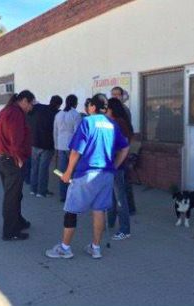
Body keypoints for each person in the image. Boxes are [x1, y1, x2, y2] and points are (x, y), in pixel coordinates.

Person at [45, 94, 129, 259]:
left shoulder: (87, 122)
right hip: (106, 175)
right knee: (99, 210)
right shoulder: (112, 124)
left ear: (92, 107)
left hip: (86, 174)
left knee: (71, 210)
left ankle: (65, 248)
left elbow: (76, 151)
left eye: (88, 104)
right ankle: (96, 248)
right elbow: (125, 148)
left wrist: (68, 172)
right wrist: (115, 166)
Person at [0, 90, 35, 241]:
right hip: (11, 160)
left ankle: (18, 221)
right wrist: (18, 158)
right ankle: (10, 231)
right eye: (31, 104)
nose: (31, 108)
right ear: (24, 100)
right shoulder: (15, 113)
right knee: (12, 197)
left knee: (15, 194)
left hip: (3, 158)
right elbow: (15, 138)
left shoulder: (6, 110)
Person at [105, 98, 133, 240]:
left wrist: (115, 165)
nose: (105, 111)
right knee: (112, 196)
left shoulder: (119, 123)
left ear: (112, 109)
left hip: (118, 166)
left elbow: (123, 147)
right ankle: (109, 223)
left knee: (120, 198)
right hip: (113, 165)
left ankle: (124, 229)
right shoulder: (117, 122)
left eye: (107, 109)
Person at [111, 86, 137, 215]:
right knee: (121, 181)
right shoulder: (113, 111)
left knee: (124, 180)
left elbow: (127, 131)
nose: (115, 96)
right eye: (113, 94)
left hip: (123, 149)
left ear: (122, 96)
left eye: (117, 94)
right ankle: (123, 207)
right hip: (118, 149)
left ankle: (129, 208)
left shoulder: (123, 111)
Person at [30, 95, 62, 197]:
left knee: (35, 167)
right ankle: (41, 191)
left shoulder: (40, 108)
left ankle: (33, 189)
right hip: (47, 145)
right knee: (43, 169)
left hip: (35, 142)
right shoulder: (57, 114)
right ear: (58, 105)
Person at [53, 94, 82, 202]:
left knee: (62, 171)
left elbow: (55, 132)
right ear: (75, 103)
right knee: (72, 170)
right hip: (71, 146)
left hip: (60, 145)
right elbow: (77, 133)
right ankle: (73, 194)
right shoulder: (76, 115)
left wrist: (56, 146)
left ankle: (63, 195)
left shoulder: (59, 114)